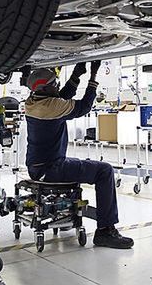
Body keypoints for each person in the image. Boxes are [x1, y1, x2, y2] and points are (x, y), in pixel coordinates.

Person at [25, 62, 133, 249]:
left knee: (86, 163)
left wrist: (76, 74)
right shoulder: (51, 107)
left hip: (39, 167)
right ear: (48, 87)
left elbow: (61, 96)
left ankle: (69, 214)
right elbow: (84, 107)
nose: (57, 85)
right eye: (55, 83)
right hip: (51, 169)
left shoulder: (34, 101)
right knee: (104, 170)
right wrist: (92, 77)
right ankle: (105, 231)